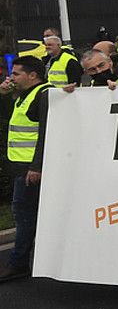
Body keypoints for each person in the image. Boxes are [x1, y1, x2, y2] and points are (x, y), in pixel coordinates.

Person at [1, 56, 52, 282]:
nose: (11, 78)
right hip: (22, 167)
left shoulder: (43, 95)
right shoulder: (24, 95)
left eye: (16, 74)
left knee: (24, 216)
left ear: (32, 76)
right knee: (29, 215)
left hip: (30, 170)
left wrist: (36, 166)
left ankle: (18, 263)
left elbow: (47, 134)